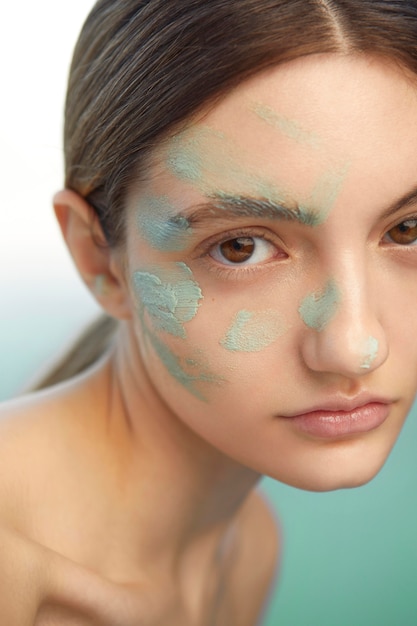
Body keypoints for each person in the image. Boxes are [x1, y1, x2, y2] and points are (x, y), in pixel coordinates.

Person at [2, 0, 417, 623]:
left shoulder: (246, 547)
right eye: (240, 247)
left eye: (408, 229)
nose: (355, 345)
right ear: (97, 257)